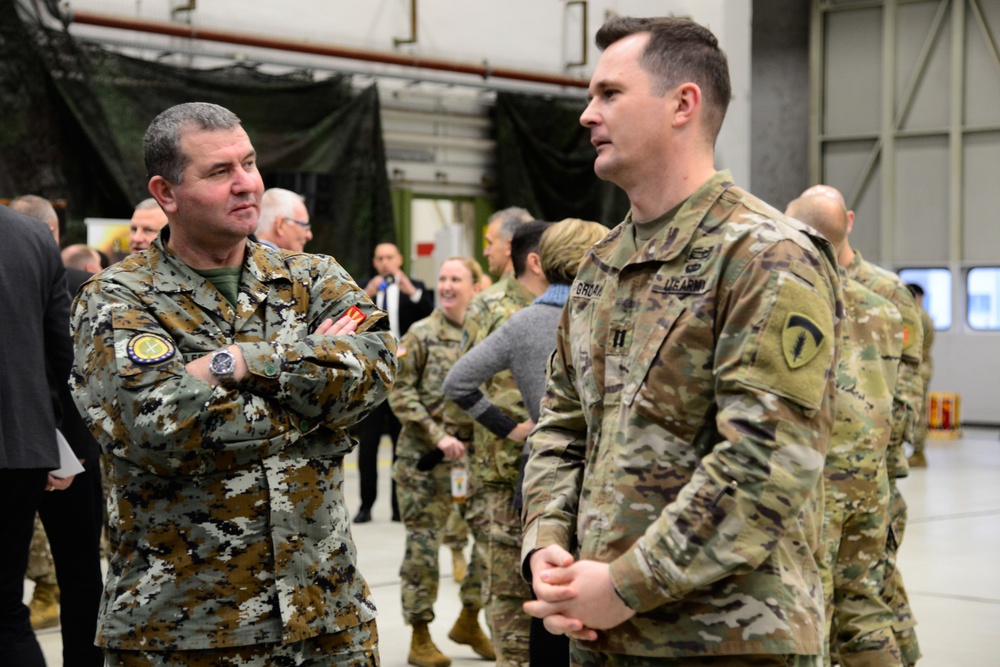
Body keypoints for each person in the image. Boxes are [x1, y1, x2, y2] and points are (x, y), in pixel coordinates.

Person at [521, 16, 843, 666]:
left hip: (728, 640)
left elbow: (765, 462)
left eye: (609, 94)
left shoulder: (765, 254)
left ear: (682, 104)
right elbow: (560, 427)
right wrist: (547, 542)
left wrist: (625, 583)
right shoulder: (599, 267)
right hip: (603, 637)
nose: (588, 114)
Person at [69, 101, 396, 665]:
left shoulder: (312, 277)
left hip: (327, 619)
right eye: (220, 172)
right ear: (166, 192)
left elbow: (374, 371)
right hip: (184, 630)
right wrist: (313, 411)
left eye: (249, 164)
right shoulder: (117, 298)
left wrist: (242, 361)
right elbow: (157, 425)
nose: (247, 185)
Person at [444, 218, 608, 667]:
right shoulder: (609, 316)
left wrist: (511, 427)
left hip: (540, 478)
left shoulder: (522, 323)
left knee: (542, 610)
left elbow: (458, 382)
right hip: (601, 484)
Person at [794, 185, 924, 666]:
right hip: (865, 475)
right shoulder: (883, 306)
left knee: (820, 606)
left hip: (828, 479)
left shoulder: (802, 298)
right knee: (864, 604)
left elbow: (907, 388)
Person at [388, 257, 494, 667]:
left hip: (472, 462)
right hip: (424, 461)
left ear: (474, 286)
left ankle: (469, 618)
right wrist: (439, 436)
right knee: (423, 549)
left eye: (456, 279)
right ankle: (419, 634)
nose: (447, 286)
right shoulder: (421, 334)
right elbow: (399, 393)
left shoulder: (483, 333)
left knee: (490, 542)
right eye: (443, 279)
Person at [456, 218, 550, 667]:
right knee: (510, 592)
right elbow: (461, 381)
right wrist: (507, 427)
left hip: (555, 471)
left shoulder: (570, 302)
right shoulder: (490, 305)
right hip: (503, 469)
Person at [0, 202, 74, 666]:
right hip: (22, 450)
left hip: (25, 445)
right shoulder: (33, 238)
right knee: (6, 606)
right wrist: (59, 444)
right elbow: (62, 353)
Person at [354, 242, 434, 523]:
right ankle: (366, 504)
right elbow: (350, 320)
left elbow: (430, 313)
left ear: (399, 259)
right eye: (380, 258)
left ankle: (399, 506)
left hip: (404, 375)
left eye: (390, 257)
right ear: (375, 262)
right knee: (369, 444)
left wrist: (412, 292)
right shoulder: (364, 288)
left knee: (402, 441)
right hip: (374, 376)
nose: (385, 262)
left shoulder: (415, 286)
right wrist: (366, 295)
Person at [906, 283, 933, 469]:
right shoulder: (923, 315)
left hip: (917, 368)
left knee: (917, 410)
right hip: (921, 366)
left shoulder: (916, 315)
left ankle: (918, 452)